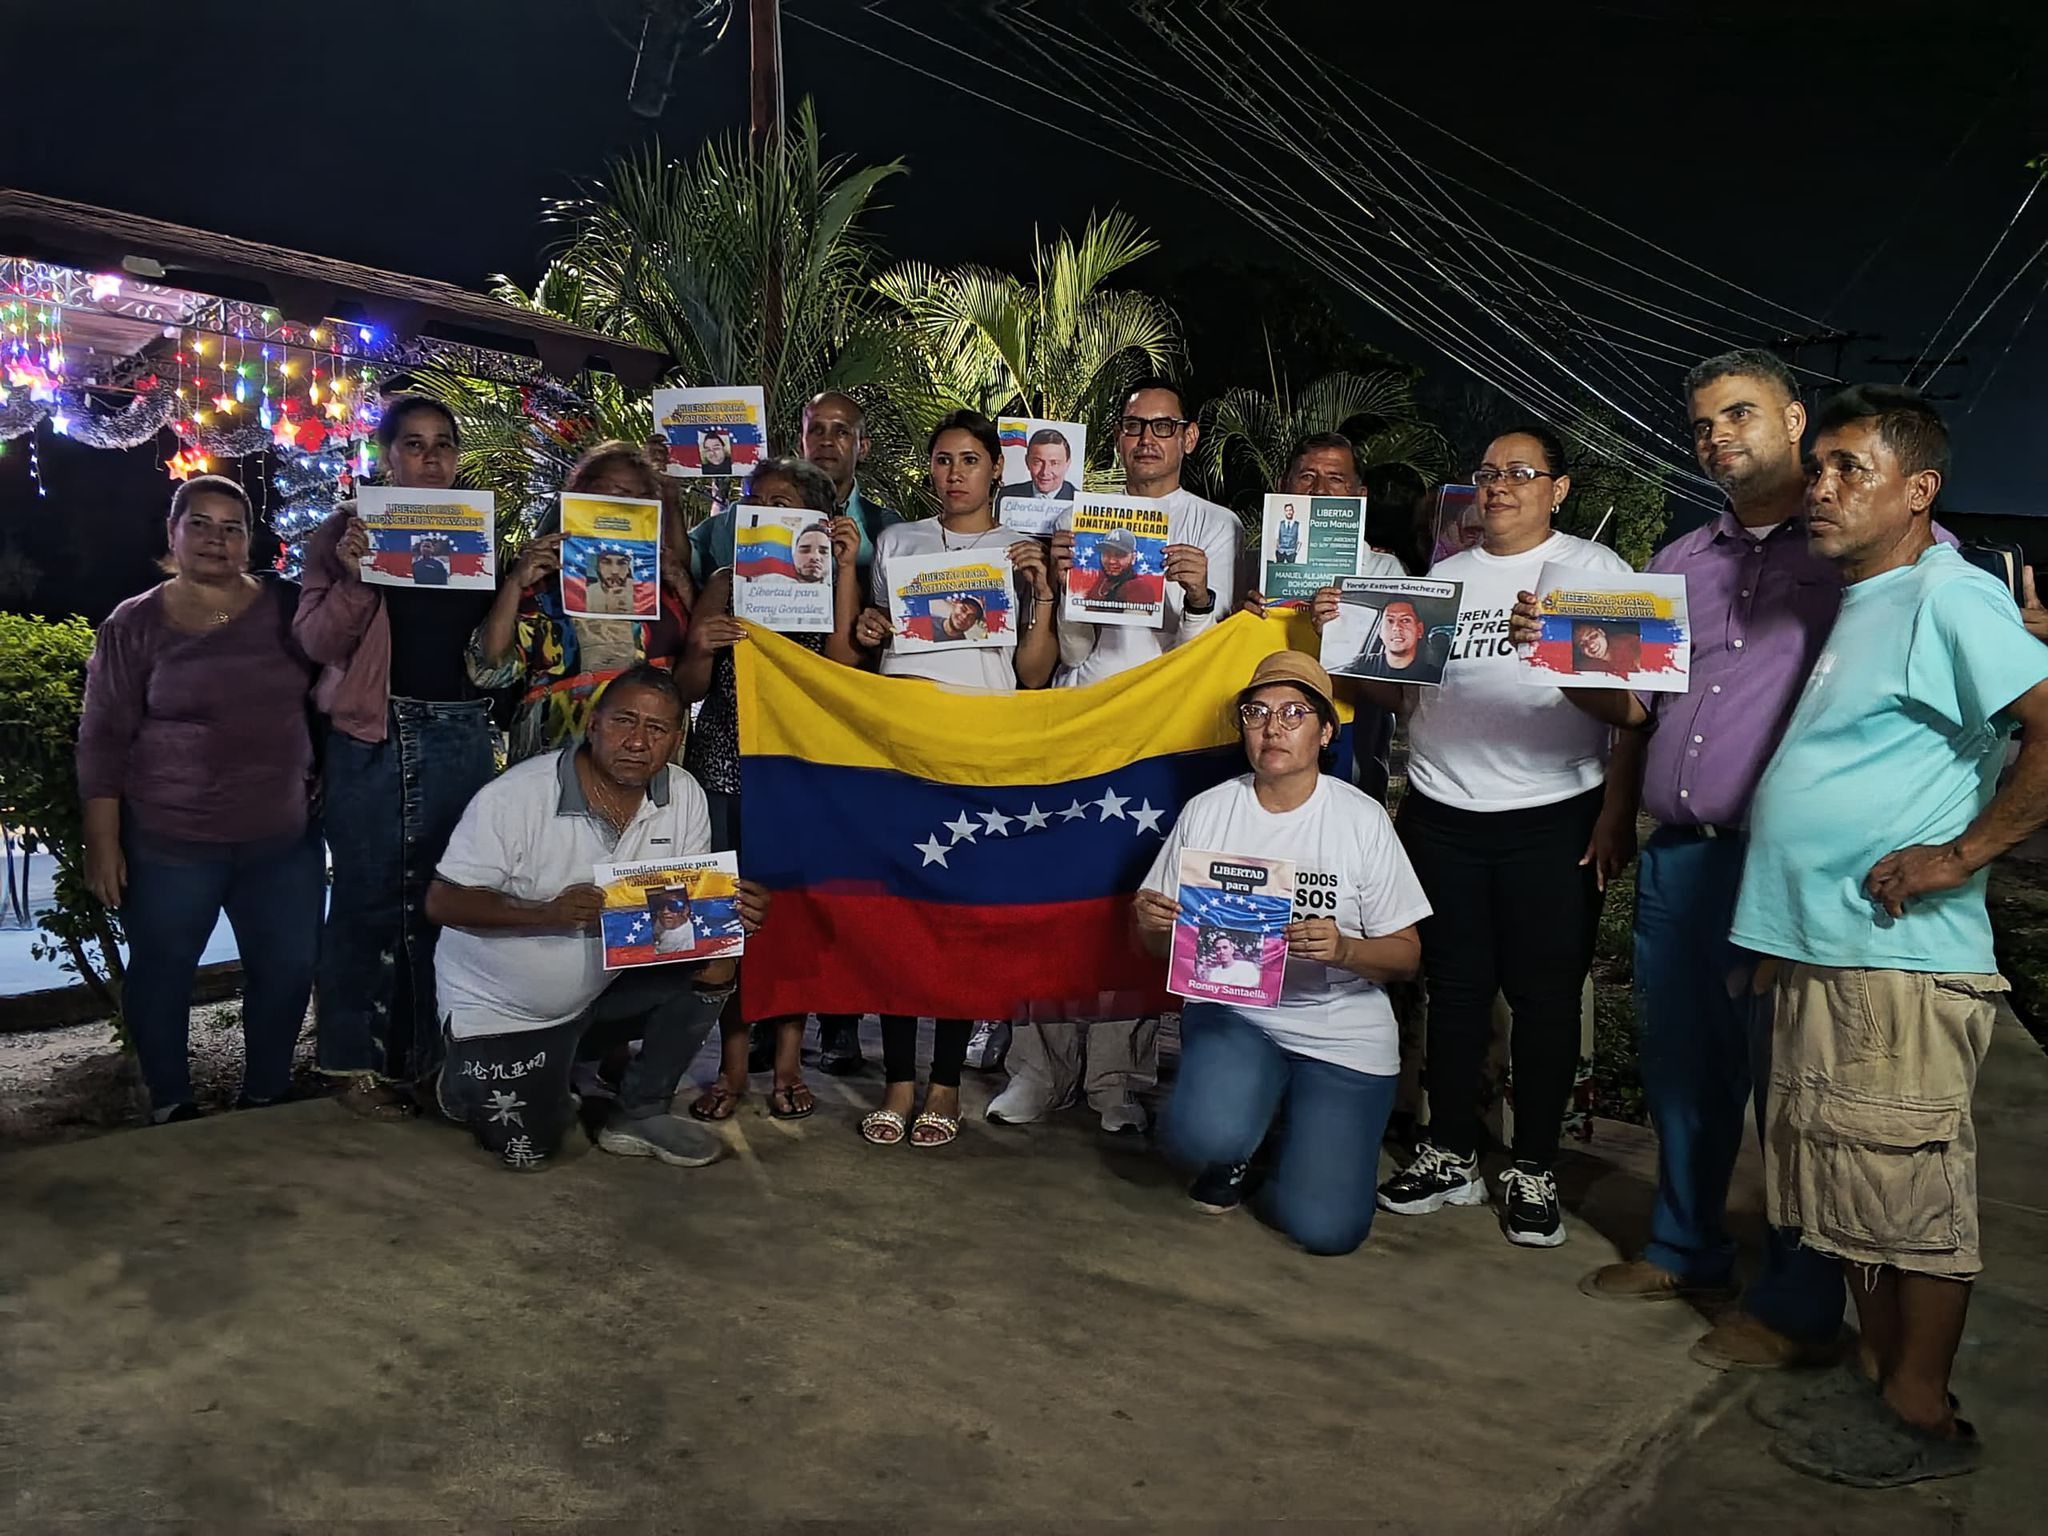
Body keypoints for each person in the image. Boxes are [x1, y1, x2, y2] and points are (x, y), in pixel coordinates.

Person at [1729, 386, 2048, 1487]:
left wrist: (1960, 855)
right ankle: (1886, 1394)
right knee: (1845, 1199)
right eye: (1814, 468)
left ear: (1918, 492)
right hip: (1832, 951)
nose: (1818, 488)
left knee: (1908, 1204)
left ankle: (1918, 1417)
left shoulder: (1946, 597)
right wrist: (1781, 930)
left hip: (1901, 961)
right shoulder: (1864, 600)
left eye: (1848, 469)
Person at [1517, 351, 1857, 1373]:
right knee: (1681, 1074)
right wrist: (1564, 664)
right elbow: (1632, 710)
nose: (1717, 437)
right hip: (1681, 859)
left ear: (1793, 419)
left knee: (1792, 1086)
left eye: (1738, 415)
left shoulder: (1855, 547)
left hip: (1791, 865)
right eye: (1703, 425)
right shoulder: (1673, 564)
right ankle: (1683, 1247)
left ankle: (1797, 1300)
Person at [1371, 425, 1637, 1248]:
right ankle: (1450, 1149)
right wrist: (1353, 634)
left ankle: (1532, 1165)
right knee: (1453, 991)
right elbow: (1396, 692)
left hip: (1554, 813)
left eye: (1522, 472)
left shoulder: (1597, 575)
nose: (1499, 486)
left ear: (1559, 489)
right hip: (1443, 811)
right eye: (1486, 472)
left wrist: (1558, 653)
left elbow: (1634, 709)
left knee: (1545, 998)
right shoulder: (1443, 579)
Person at [985, 381, 1241, 1129]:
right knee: (1057, 896)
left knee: (1138, 904)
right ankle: (1036, 1067)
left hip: (1166, 735)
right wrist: (1061, 587)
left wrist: (1197, 599)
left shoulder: (1215, 525)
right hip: (1080, 722)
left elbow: (1212, 653)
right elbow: (1068, 651)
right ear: (1118, 437)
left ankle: (1115, 1079)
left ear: (1189, 437)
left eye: (1164, 426)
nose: (1148, 439)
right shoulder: (1077, 516)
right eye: (1134, 426)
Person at [1138, 652, 1430, 1255]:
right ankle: (1236, 1141)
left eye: (1295, 713)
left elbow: (1406, 957)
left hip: (1341, 1035)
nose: (1273, 726)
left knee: (1326, 1231)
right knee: (1202, 1132)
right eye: (1257, 712)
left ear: (1325, 733)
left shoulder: (1361, 819)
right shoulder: (1210, 810)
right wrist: (1150, 923)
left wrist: (1346, 949)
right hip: (1237, 1017)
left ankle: (1293, 1133)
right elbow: (1159, 951)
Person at [427, 665, 770, 1171]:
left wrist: (728, 916)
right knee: (534, 1152)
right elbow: (442, 902)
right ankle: (462, 1076)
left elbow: (678, 919)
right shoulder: (517, 795)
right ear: (594, 724)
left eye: (657, 729)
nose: (637, 741)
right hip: (499, 1012)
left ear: (677, 738)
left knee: (717, 964)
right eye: (624, 721)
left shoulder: (684, 794)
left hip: (596, 999)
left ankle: (639, 1111)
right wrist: (542, 913)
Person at [76, 475, 322, 1124]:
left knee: (291, 968)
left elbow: (334, 688)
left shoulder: (289, 610)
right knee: (161, 972)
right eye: (201, 525)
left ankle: (266, 1091)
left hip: (281, 842)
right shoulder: (133, 625)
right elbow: (102, 741)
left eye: (232, 527)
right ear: (172, 534)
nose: (216, 539)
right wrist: (102, 842)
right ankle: (170, 1102)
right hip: (170, 844)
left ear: (249, 539)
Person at [852, 409, 1059, 1146]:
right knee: (899, 915)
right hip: (902, 746)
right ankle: (899, 1081)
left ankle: (946, 1084)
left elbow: (1032, 674)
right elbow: (878, 638)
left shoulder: (1020, 549)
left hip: (981, 751)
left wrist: (1042, 597)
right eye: (942, 461)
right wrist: (871, 628)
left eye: (969, 460)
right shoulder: (898, 541)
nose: (955, 474)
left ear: (996, 468)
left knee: (959, 920)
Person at [296, 394, 499, 1117]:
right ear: (386, 457)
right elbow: (317, 643)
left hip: (459, 730)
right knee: (365, 900)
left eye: (443, 443)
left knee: (445, 902)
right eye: (413, 444)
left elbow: (494, 652)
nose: (432, 456)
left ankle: (425, 1065)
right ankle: (353, 1067)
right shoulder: (343, 535)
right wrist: (355, 575)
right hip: (374, 732)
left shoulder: (481, 535)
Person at [679, 456, 865, 1123]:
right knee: (727, 922)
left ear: (814, 517)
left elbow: (844, 661)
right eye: (756, 501)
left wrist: (844, 568)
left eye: (782, 501)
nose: (764, 511)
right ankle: (732, 1068)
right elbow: (689, 687)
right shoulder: (729, 580)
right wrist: (701, 645)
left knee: (788, 922)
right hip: (723, 769)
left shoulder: (831, 575)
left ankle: (788, 1063)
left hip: (797, 777)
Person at [467, 440, 690, 767]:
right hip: (556, 761)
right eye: (611, 493)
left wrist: (681, 580)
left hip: (648, 763)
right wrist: (515, 583)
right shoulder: (543, 577)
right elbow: (490, 670)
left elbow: (701, 663)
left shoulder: (665, 582)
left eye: (639, 498)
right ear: (579, 496)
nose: (622, 505)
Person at [999, 427, 1077, 501]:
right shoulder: (1007, 496)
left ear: (1067, 464)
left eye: (1054, 463)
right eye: (1038, 462)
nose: (1045, 472)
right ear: (1027, 462)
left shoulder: (1080, 502)